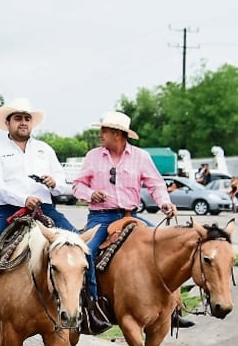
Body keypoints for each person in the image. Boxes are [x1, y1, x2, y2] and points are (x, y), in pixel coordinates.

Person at [0, 98, 109, 336]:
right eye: (18, 118)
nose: (23, 122)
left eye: (27, 118)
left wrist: (54, 183)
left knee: (79, 246)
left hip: (45, 209)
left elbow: (62, 184)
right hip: (8, 210)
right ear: (7, 123)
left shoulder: (44, 150)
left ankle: (91, 306)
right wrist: (22, 199)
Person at [72, 111, 182, 332]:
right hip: (100, 218)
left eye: (104, 131)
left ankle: (174, 308)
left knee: (168, 248)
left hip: (130, 215)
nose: (100, 134)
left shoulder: (141, 157)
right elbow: (77, 186)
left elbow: (156, 184)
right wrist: (91, 194)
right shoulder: (93, 156)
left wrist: (165, 203)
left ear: (117, 134)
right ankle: (92, 306)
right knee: (85, 253)